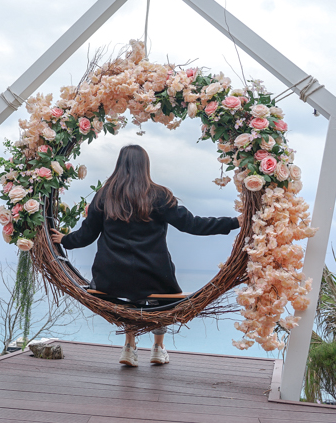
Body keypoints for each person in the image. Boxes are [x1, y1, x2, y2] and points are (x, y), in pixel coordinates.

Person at [50, 144, 241, 367]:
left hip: (110, 278)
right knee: (163, 297)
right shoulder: (159, 196)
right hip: (153, 274)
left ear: (119, 165)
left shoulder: (104, 196)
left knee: (129, 296)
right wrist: (235, 222)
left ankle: (129, 347)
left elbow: (85, 236)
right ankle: (158, 349)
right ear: (146, 166)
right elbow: (193, 225)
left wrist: (64, 240)